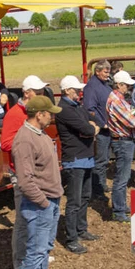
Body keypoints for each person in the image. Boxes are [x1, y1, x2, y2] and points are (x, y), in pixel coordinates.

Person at [11, 96, 65, 269]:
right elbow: (25, 180)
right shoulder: (24, 140)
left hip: (50, 200)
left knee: (44, 248)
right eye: (49, 113)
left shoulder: (40, 134)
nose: (52, 117)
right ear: (39, 114)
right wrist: (43, 203)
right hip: (39, 204)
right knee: (36, 250)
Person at [0, 74, 48, 269]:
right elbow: (5, 144)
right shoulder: (14, 114)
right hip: (21, 173)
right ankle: (20, 263)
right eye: (38, 92)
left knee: (38, 218)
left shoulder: (35, 112)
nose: (41, 95)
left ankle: (36, 256)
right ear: (26, 93)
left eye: (42, 92)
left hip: (37, 172)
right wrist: (27, 144)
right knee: (23, 220)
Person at [56, 75, 99, 254]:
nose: (80, 93)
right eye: (77, 90)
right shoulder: (64, 110)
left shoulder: (76, 107)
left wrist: (90, 127)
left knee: (85, 196)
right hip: (74, 160)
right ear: (67, 91)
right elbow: (88, 128)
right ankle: (71, 238)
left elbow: (90, 121)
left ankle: (81, 230)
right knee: (74, 201)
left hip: (86, 158)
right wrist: (91, 129)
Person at [107, 70, 135, 223]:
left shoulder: (119, 99)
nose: (128, 88)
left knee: (124, 176)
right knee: (122, 178)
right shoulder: (116, 101)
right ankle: (118, 211)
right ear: (119, 85)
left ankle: (121, 206)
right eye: (126, 85)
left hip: (124, 140)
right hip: (122, 141)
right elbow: (133, 122)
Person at [83, 60, 112, 200]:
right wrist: (101, 123)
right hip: (100, 130)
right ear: (98, 71)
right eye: (106, 72)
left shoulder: (105, 85)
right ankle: (97, 190)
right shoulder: (91, 87)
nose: (108, 74)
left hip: (108, 128)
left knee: (105, 158)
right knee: (100, 160)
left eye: (109, 71)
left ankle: (103, 184)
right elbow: (90, 109)